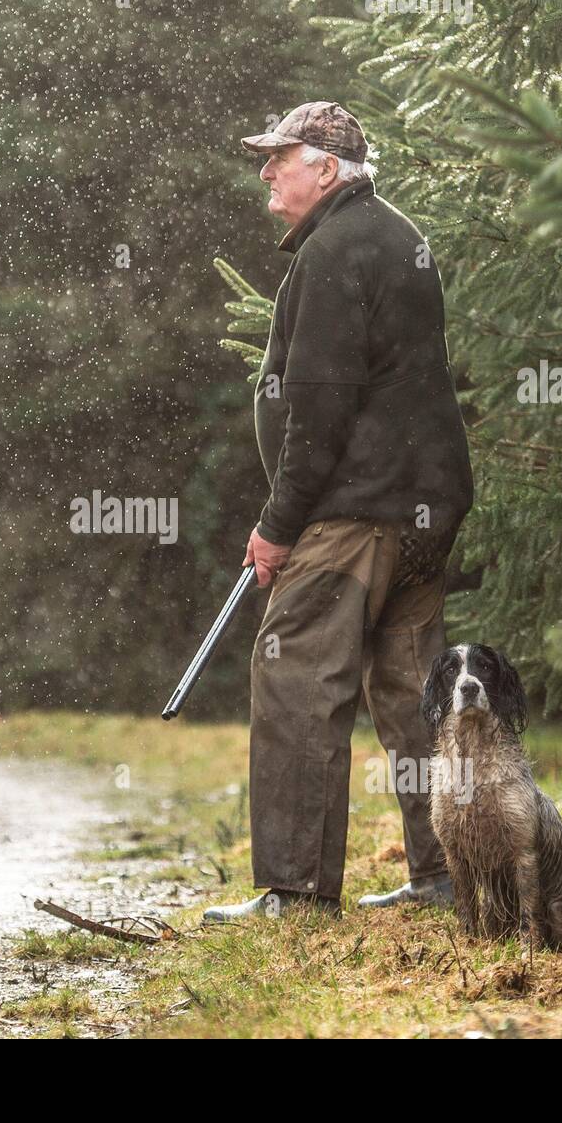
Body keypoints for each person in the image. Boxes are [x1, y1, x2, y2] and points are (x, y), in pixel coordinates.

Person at [203, 102, 474, 922]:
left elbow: (318, 410)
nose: (265, 173)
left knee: (296, 683)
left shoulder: (332, 251)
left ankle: (295, 892)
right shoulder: (399, 236)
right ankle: (446, 876)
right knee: (411, 690)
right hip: (423, 509)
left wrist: (278, 527)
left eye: (278, 157)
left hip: (352, 512)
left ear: (326, 166)